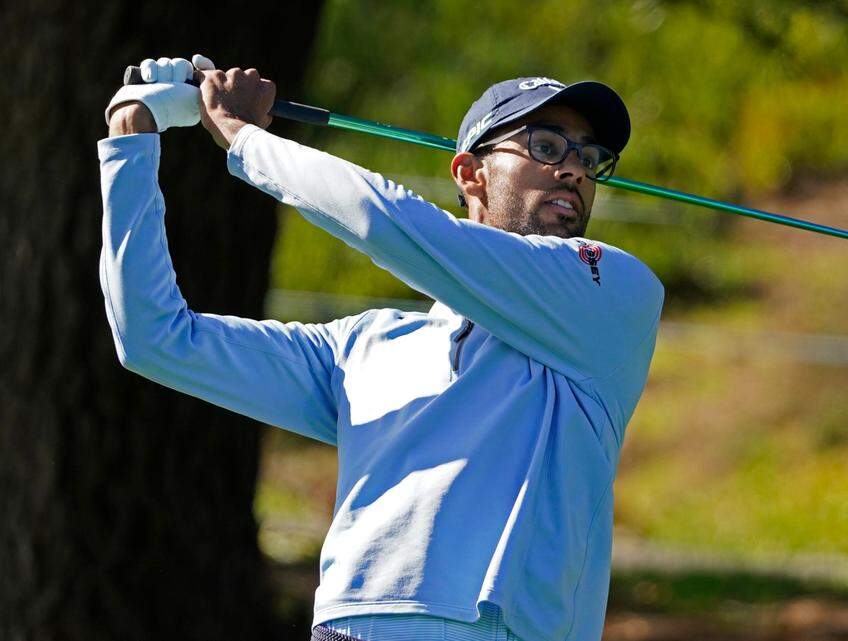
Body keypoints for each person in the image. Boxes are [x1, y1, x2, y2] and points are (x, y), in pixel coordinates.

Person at [99, 55, 663, 641]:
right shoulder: (362, 346)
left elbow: (392, 223)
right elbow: (155, 338)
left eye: (589, 158)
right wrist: (132, 136)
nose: (574, 170)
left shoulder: (612, 295)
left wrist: (243, 139)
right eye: (546, 146)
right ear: (471, 174)